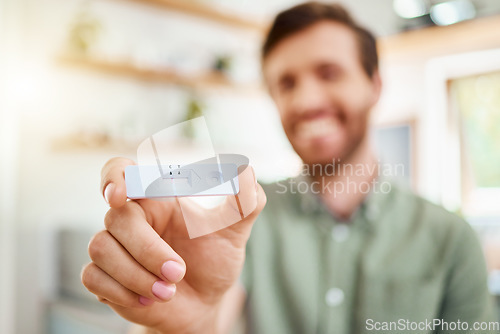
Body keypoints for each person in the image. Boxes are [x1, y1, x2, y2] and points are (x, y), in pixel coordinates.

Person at [82, 2, 497, 333]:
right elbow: (207, 313)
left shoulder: (451, 241)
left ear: (375, 85)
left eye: (328, 73)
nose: (305, 101)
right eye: (286, 83)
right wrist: (186, 325)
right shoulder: (240, 217)